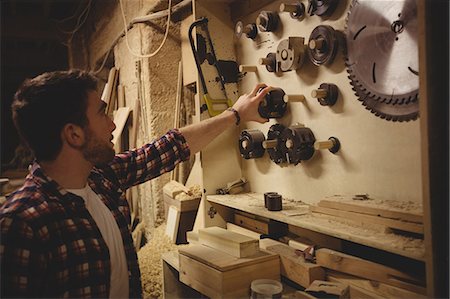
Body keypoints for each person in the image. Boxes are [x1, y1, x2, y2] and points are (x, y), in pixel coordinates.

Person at [0, 69, 271, 298]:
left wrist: (236, 114)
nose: (112, 125)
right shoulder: (22, 223)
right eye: (102, 114)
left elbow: (170, 147)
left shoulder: (100, 179)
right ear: (74, 134)